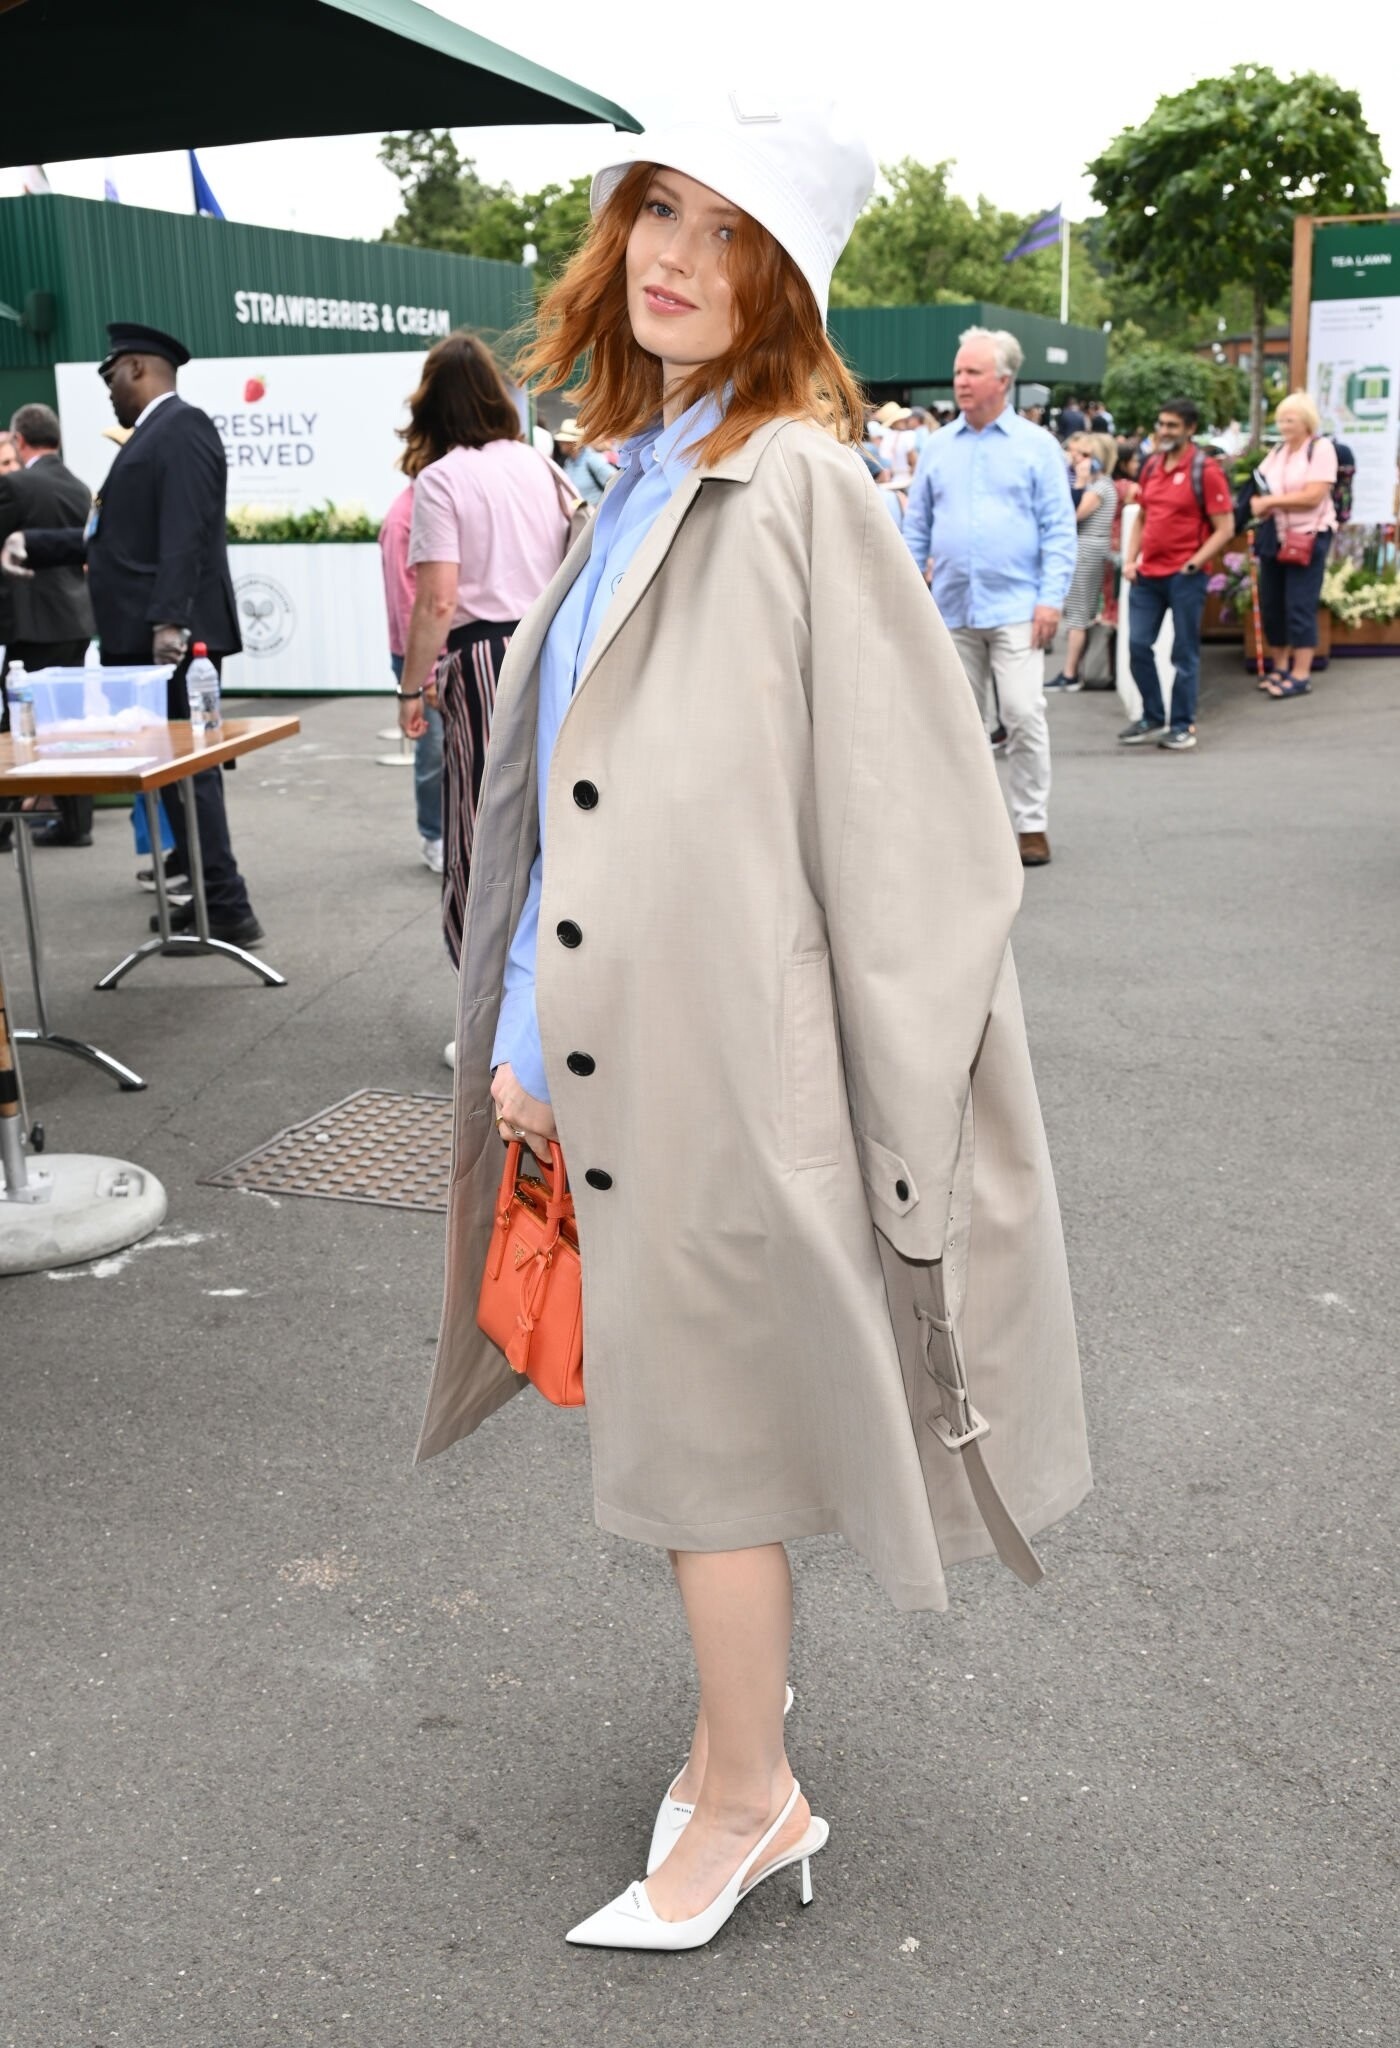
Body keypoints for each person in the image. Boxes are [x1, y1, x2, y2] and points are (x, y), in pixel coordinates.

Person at [414, 93, 1090, 1953]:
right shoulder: (640, 466)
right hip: (626, 1051)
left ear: (781, 281)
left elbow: (924, 825)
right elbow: (573, 798)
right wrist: (528, 1033)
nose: (678, 257)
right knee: (684, 1422)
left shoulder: (793, 483)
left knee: (705, 1444)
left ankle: (746, 1797)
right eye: (661, 211)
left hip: (727, 1066)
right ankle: (737, 1753)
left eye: (728, 232)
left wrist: (894, 1099)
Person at [2, 324, 263, 944]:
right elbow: (115, 540)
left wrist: (170, 620)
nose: (108, 388)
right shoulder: (154, 435)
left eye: (111, 374)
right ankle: (210, 894)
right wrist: (35, 544)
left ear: (140, 367)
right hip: (152, 638)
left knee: (189, 773)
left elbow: (185, 532)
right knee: (174, 774)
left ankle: (226, 903)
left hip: (170, 642)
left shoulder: (182, 428)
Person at [394, 331, 570, 974]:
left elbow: (438, 599)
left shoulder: (442, 480)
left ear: (432, 408)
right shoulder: (539, 465)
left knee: (482, 823)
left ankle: (487, 990)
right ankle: (546, 983)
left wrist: (411, 687)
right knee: (549, 821)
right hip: (552, 648)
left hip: (485, 658)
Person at [903, 327, 1078, 867]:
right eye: (958, 371)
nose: (960, 381)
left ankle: (1031, 824)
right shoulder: (937, 447)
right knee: (960, 726)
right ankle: (971, 830)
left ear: (1003, 381)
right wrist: (909, 592)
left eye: (972, 372)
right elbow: (916, 528)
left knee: (1023, 713)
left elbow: (1059, 529)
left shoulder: (1037, 447)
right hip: (952, 607)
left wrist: (1051, 599)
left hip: (1018, 607)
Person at [0, 403, 99, 846]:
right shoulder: (79, 487)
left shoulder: (14, 486)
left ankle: (3, 826)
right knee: (68, 725)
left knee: (15, 725)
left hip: (32, 624)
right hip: (75, 620)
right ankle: (76, 825)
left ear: (19, 440)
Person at [1119, 397, 1234, 751]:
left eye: (1172, 425)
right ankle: (1153, 716)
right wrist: (1130, 560)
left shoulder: (1206, 470)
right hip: (1147, 575)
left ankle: (1182, 724)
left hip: (1185, 577)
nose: (1165, 431)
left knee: (1184, 653)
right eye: (1162, 424)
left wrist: (1194, 564)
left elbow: (1225, 528)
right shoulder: (1152, 465)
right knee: (1138, 645)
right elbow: (1142, 516)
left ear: (1190, 429)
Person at [1250, 391, 1337, 699]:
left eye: (1290, 420)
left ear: (1306, 421)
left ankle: (1301, 673)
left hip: (1309, 536)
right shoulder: (1278, 451)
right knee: (1273, 603)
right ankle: (1280, 667)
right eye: (1281, 420)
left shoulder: (1320, 448)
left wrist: (1270, 502)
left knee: (1300, 603)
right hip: (1276, 536)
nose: (1284, 426)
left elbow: (1313, 496)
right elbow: (1259, 483)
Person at [378, 478, 444, 873]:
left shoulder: (434, 506)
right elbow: (406, 605)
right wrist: (423, 676)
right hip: (420, 654)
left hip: (451, 645)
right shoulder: (403, 518)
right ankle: (434, 834)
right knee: (433, 749)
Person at [1047, 431, 1118, 691]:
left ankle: (1070, 673)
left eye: (1086, 455)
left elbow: (1071, 514)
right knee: (1078, 610)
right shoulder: (1099, 485)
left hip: (1087, 552)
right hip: (1087, 550)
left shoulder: (1098, 487)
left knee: (1078, 613)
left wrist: (1080, 481)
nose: (1078, 459)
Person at [553, 419, 614, 506]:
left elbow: (615, 482)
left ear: (573, 443)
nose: (560, 443)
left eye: (563, 441)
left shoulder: (592, 459)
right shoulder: (568, 463)